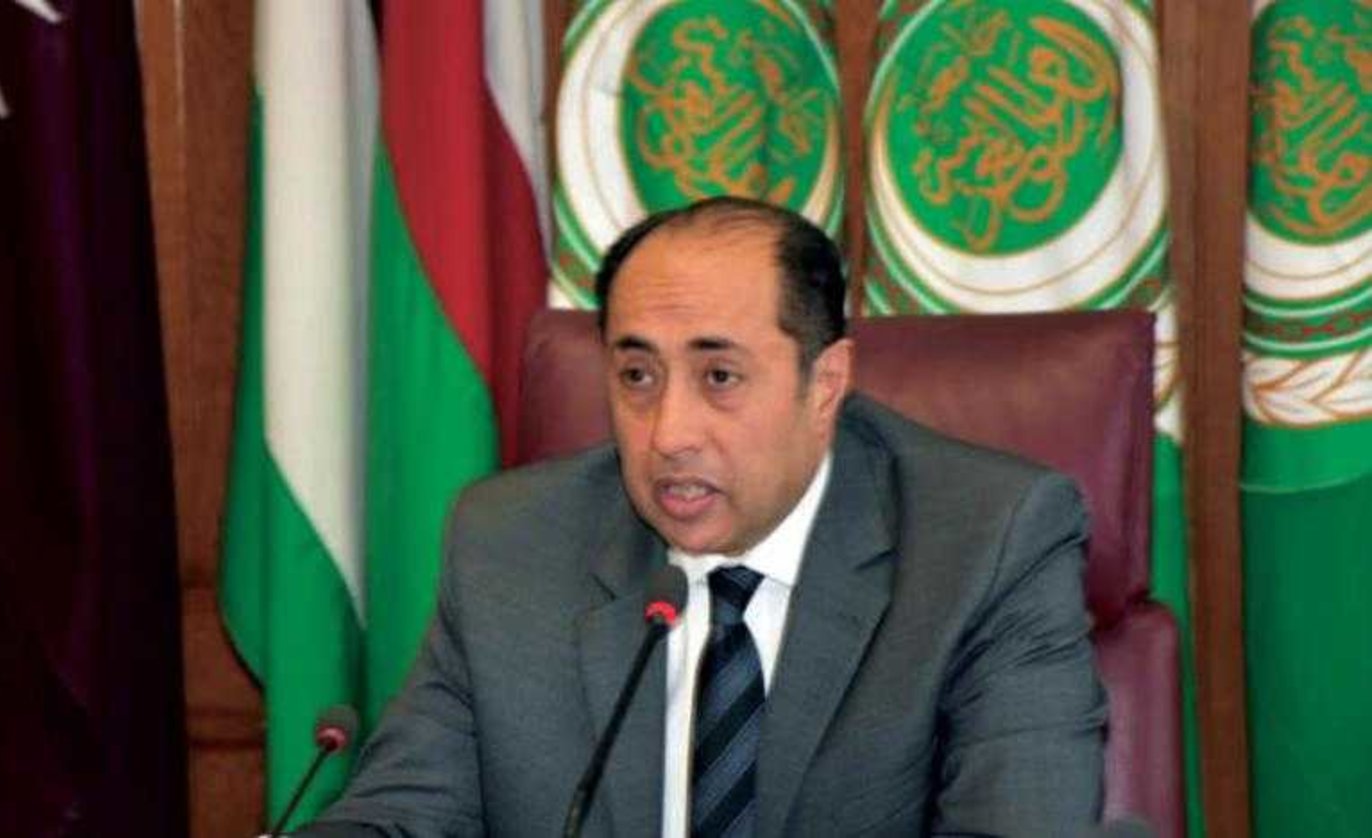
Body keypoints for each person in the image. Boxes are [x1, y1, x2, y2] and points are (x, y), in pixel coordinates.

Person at [299, 197, 1107, 836]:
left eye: (719, 377)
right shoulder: (511, 544)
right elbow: (402, 814)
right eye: (638, 377)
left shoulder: (986, 544)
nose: (669, 434)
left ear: (825, 384)